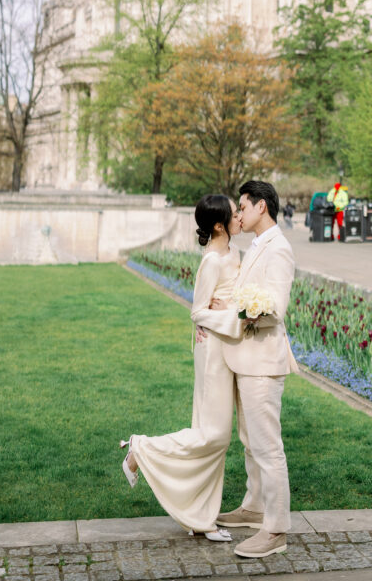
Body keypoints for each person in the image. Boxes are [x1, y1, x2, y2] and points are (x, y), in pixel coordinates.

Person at [119, 194, 241, 542]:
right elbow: (198, 312)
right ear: (219, 225)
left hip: (228, 347)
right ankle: (140, 450)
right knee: (213, 435)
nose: (240, 217)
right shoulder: (212, 262)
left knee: (214, 437)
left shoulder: (234, 253)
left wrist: (237, 303)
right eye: (234, 214)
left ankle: (200, 517)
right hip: (213, 351)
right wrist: (233, 312)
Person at [194, 180, 298, 560]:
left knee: (268, 447)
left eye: (242, 206)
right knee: (250, 442)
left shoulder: (279, 249)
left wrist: (230, 313)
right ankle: (254, 507)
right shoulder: (255, 245)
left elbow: (274, 308)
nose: (237, 213)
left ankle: (276, 529)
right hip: (243, 358)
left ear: (261, 208)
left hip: (262, 363)